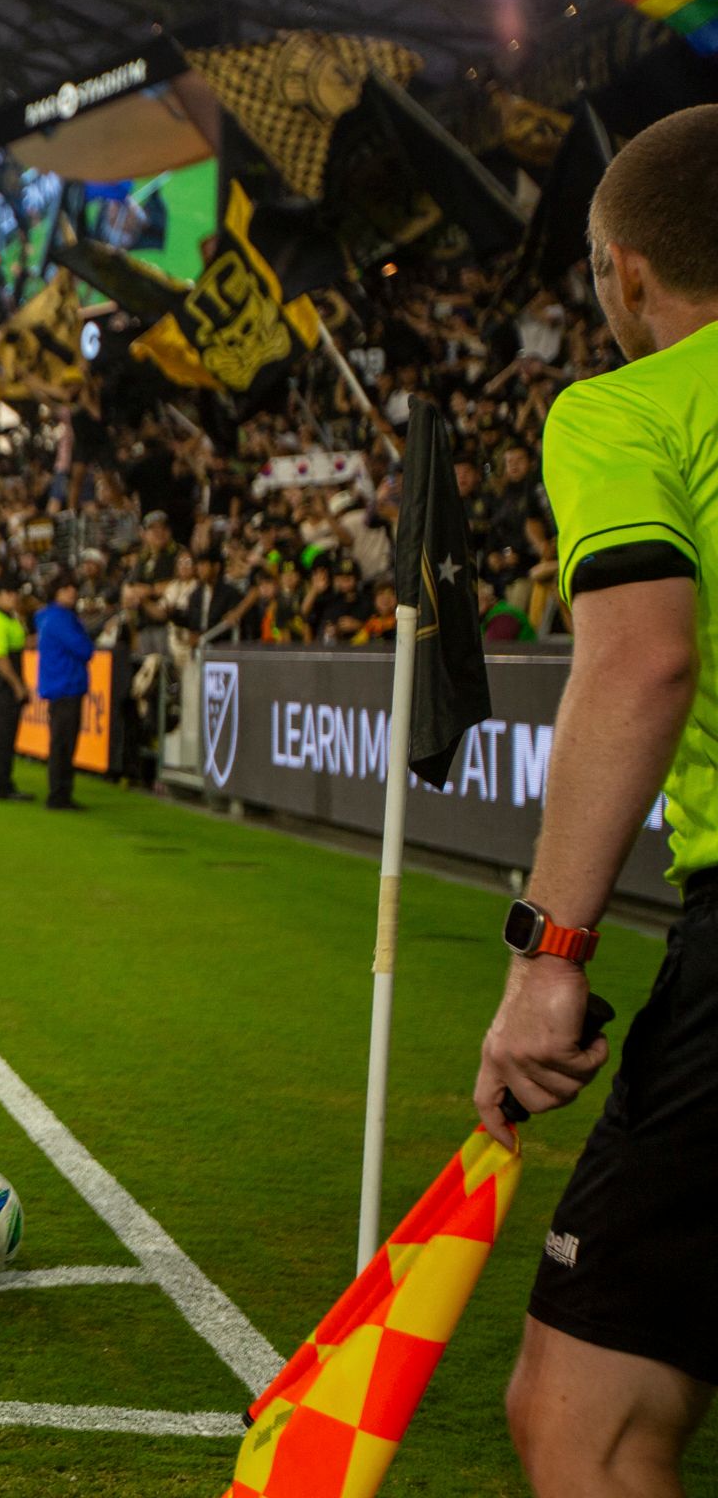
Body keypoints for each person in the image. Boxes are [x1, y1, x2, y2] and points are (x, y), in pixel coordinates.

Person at [472, 105, 718, 1498]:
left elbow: (643, 658)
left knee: (588, 1421)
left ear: (626, 274)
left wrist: (548, 958)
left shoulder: (625, 406)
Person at [33, 576, 94, 811]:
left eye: (73, 587)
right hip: (66, 685)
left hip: (58, 685)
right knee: (64, 744)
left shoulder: (47, 617)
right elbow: (84, 649)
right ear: (57, 591)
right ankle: (59, 794)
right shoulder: (61, 619)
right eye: (67, 588)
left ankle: (59, 792)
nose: (72, 592)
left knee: (60, 742)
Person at [0, 581, 31, 802]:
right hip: (4, 688)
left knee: (8, 737)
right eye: (8, 592)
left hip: (7, 686)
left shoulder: (11, 619)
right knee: (4, 737)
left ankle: (2, 781)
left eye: (14, 592)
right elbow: (0, 658)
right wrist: (17, 685)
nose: (13, 596)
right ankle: (0, 784)